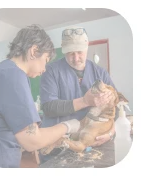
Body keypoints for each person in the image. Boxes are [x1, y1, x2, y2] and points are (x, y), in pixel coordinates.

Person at [0, 24, 81, 168]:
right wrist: (68, 126)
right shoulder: (13, 76)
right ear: (34, 51)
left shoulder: (6, 71)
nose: (44, 69)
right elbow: (32, 140)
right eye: (46, 60)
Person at [39, 26, 116, 163]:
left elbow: (114, 109)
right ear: (63, 50)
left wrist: (110, 133)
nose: (76, 58)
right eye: (70, 53)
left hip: (88, 147)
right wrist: (85, 101)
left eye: (80, 52)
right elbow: (49, 107)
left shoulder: (100, 73)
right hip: (55, 148)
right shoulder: (50, 71)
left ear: (87, 46)